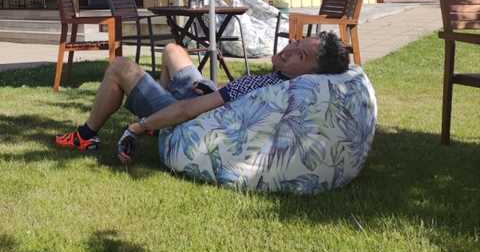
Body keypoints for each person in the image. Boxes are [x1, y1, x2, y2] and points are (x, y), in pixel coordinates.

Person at [55, 32, 350, 164]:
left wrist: (138, 126)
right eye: (296, 43)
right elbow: (229, 97)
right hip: (212, 94)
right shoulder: (282, 82)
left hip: (193, 114)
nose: (289, 49)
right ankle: (158, 117)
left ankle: (85, 135)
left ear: (311, 72)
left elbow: (187, 111)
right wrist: (214, 89)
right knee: (173, 49)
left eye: (301, 54)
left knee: (120, 66)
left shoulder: (275, 89)